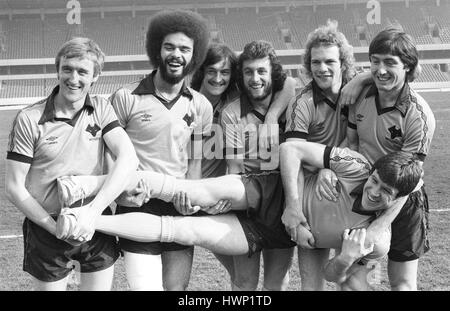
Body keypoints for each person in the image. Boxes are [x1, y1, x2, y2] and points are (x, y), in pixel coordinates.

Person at [54, 144, 423, 290]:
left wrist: (343, 257)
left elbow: (335, 278)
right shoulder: (354, 164)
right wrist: (294, 205)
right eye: (375, 181)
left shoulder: (375, 239)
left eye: (386, 192)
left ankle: (88, 220)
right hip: (272, 191)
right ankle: (87, 187)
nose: (375, 191)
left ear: (398, 197)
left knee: (184, 230)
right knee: (188, 191)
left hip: (272, 235)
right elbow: (291, 148)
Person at [4, 37, 139, 290]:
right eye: (67, 69)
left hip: (95, 225)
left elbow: (128, 157)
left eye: (82, 71)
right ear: (58, 69)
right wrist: (52, 226)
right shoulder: (29, 119)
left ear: (95, 76)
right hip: (47, 228)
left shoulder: (101, 108)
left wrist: (92, 213)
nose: (73, 78)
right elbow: (14, 187)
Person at [104, 10, 213, 290]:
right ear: (157, 50)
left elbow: (195, 161)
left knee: (177, 290)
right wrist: (121, 194)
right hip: (137, 204)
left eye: (184, 49)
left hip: (179, 205)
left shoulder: (200, 105)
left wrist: (193, 195)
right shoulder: (125, 98)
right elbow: (109, 156)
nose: (176, 54)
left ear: (194, 55)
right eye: (169, 47)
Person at [282, 20, 369, 290]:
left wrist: (364, 77)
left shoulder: (361, 90)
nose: (322, 68)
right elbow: (291, 158)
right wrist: (293, 208)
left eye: (329, 61)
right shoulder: (302, 103)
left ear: (343, 62)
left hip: (354, 191)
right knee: (312, 283)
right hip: (314, 195)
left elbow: (404, 70)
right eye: (316, 62)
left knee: (354, 282)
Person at [347, 26, 436, 290]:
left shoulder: (419, 115)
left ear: (408, 67)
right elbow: (351, 144)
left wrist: (381, 224)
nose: (380, 70)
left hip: (403, 201)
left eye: (390, 63)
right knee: (355, 281)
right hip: (367, 193)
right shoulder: (360, 95)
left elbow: (409, 177)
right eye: (375, 62)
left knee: (402, 283)